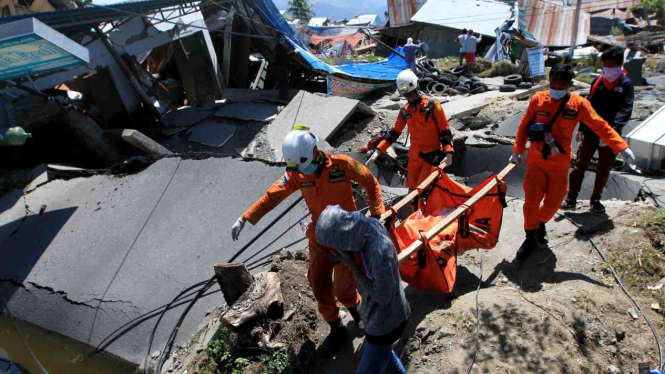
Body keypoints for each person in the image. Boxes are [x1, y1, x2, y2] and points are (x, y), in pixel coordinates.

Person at [231, 126, 385, 355]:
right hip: (320, 236)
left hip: (347, 235)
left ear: (314, 150)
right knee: (319, 284)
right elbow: (272, 195)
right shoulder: (297, 173)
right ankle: (336, 328)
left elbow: (370, 182)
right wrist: (245, 217)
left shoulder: (343, 165)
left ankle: (358, 315)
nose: (307, 172)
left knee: (343, 289)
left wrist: (376, 215)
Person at [509, 63, 635, 259]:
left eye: (561, 86)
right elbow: (524, 124)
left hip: (560, 163)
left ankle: (541, 222)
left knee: (554, 201)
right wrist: (517, 151)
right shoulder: (538, 99)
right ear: (549, 82)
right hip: (536, 161)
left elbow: (600, 125)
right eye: (553, 84)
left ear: (569, 85)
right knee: (531, 201)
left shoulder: (578, 104)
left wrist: (621, 146)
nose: (556, 89)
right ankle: (530, 237)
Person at [316, 205, 410, 374]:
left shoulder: (378, 251)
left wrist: (353, 268)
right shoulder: (364, 230)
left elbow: (382, 296)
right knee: (386, 358)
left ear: (342, 238)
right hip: (376, 318)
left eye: (332, 246)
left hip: (386, 323)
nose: (333, 252)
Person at [562, 47, 634, 213]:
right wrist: (581, 127)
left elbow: (625, 110)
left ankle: (595, 200)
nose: (608, 69)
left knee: (604, 168)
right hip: (591, 132)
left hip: (611, 133)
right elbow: (588, 106)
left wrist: (611, 132)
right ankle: (571, 198)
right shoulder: (598, 82)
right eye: (605, 65)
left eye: (612, 65)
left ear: (619, 65)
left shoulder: (626, 85)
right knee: (580, 165)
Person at [374, 69, 454, 192]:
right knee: (411, 192)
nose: (410, 98)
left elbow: (444, 130)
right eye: (406, 95)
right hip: (414, 158)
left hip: (430, 157)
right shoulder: (405, 111)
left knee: (423, 191)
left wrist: (448, 152)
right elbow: (395, 132)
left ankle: (426, 211)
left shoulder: (433, 105)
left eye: (411, 93)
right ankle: (414, 211)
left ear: (416, 87)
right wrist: (379, 150)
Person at [274, 32, 298, 101]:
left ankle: (283, 97)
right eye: (282, 37)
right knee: (284, 82)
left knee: (283, 82)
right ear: (279, 38)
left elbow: (285, 54)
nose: (284, 38)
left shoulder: (280, 46)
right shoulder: (279, 46)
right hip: (282, 66)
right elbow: (285, 55)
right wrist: (294, 52)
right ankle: (284, 98)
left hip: (282, 66)